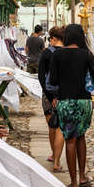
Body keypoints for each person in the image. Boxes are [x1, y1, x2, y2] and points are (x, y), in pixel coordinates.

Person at [49, 24, 94, 187]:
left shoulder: (58, 55)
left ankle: (73, 183)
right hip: (84, 101)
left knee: (70, 140)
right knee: (81, 137)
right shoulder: (87, 54)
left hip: (66, 101)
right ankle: (83, 176)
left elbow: (53, 81)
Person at [38, 26, 65, 173]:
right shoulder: (67, 52)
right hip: (64, 94)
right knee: (60, 127)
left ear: (54, 38)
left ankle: (54, 154)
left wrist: (49, 96)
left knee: (52, 126)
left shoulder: (47, 53)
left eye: (50, 39)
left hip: (48, 94)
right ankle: (57, 159)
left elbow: (41, 77)